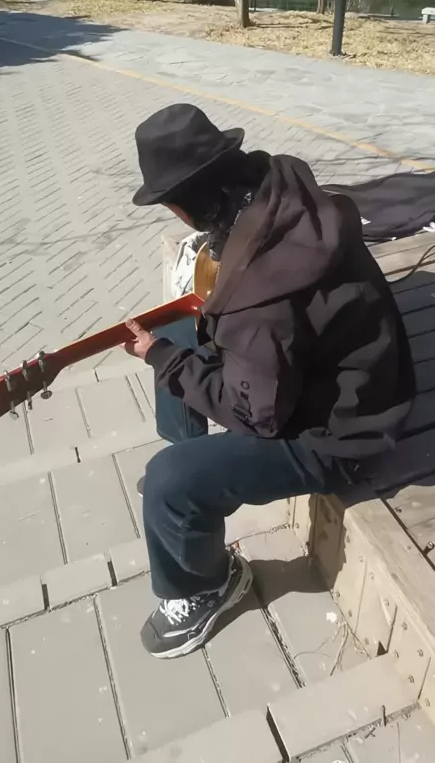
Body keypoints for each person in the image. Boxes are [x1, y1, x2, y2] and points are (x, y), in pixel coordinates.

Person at [125, 103, 415, 660]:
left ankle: (207, 585)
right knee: (178, 338)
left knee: (168, 477)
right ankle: (194, 472)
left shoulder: (259, 300)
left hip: (343, 433)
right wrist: (174, 352)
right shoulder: (279, 186)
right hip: (359, 378)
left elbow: (258, 414)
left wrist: (162, 359)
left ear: (182, 207)